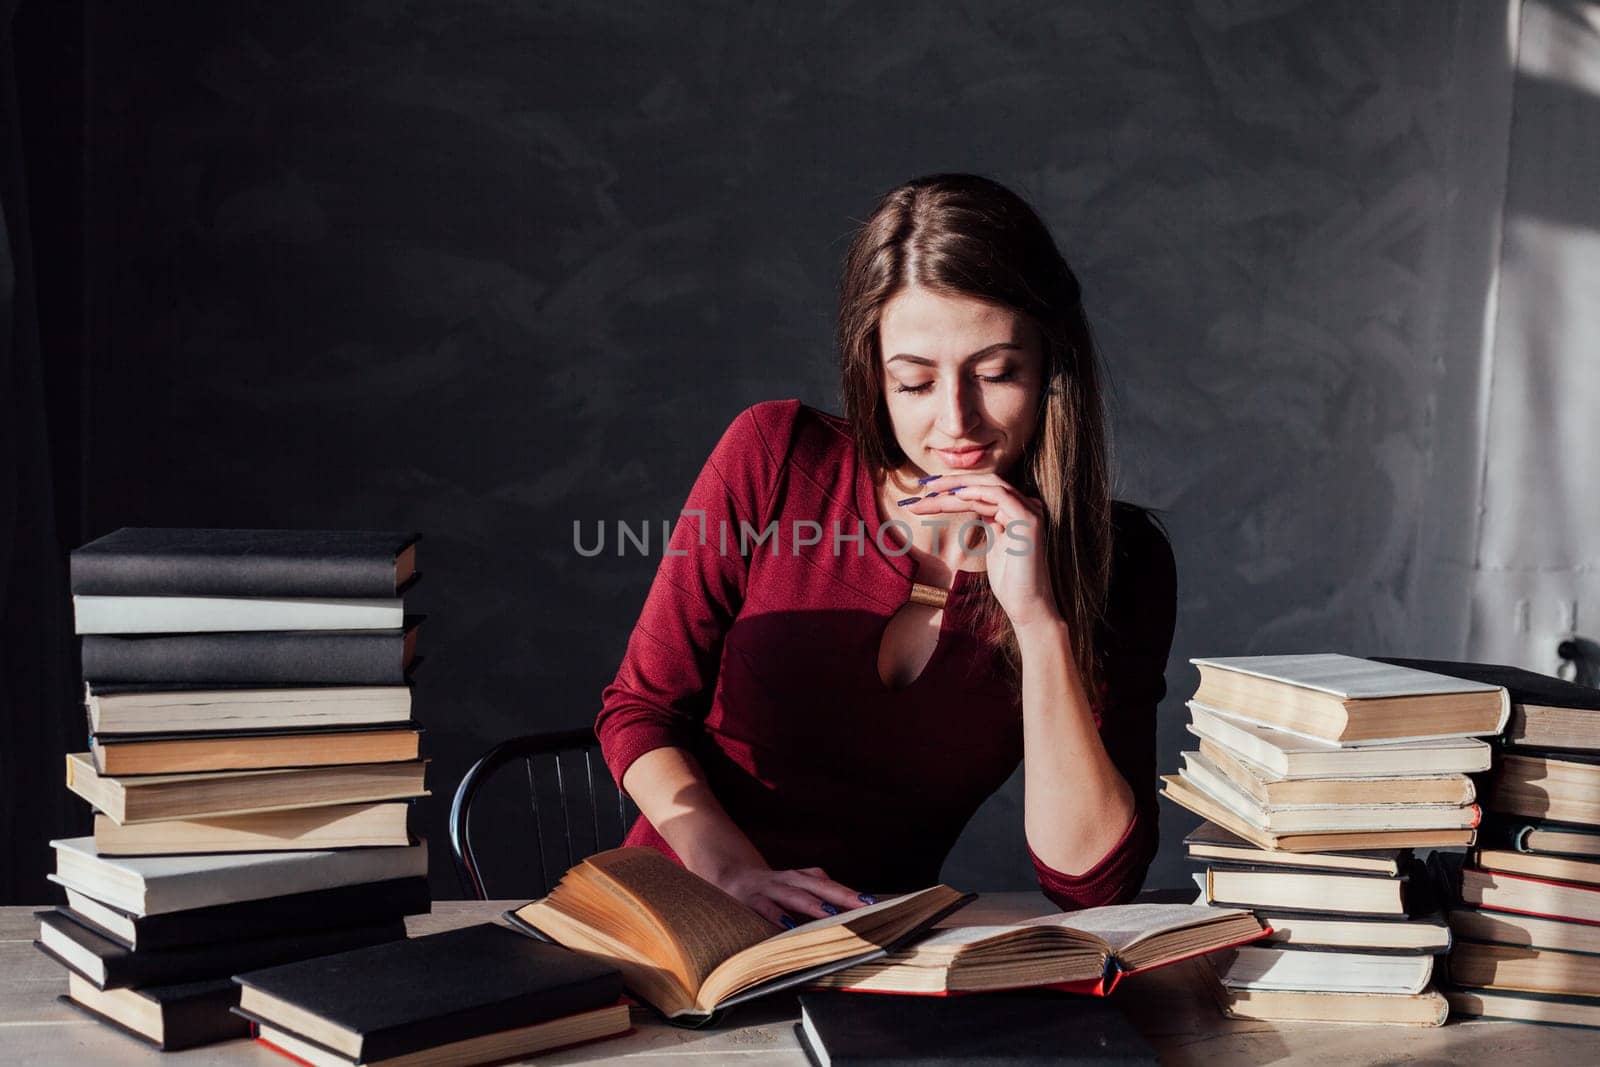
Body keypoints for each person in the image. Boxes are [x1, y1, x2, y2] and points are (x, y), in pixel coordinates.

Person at [594, 173, 1177, 929]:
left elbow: (1091, 885)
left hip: (867, 949)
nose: (955, 420)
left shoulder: (1120, 562)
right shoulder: (775, 456)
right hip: (681, 914)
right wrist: (734, 869)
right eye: (914, 382)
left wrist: (1039, 622)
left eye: (996, 373)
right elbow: (639, 710)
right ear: (873, 372)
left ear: (1050, 366)